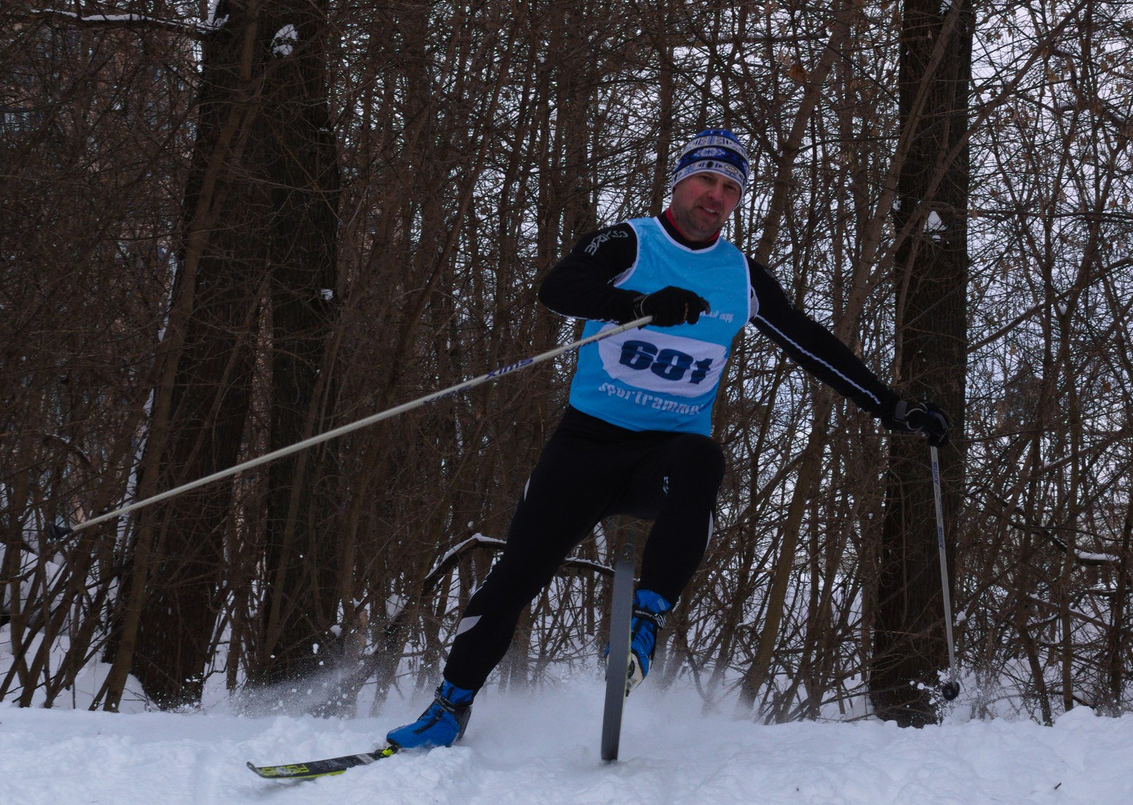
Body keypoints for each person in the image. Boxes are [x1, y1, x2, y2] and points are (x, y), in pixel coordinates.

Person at [386, 127, 947, 748]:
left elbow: (811, 344)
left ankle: (643, 623)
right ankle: (450, 706)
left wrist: (891, 407)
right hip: (586, 447)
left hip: (666, 456)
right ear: (679, 182)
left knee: (703, 458)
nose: (716, 195)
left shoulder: (740, 275)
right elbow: (559, 287)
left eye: (730, 187)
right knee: (517, 574)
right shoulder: (630, 242)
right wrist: (636, 302)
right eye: (706, 179)